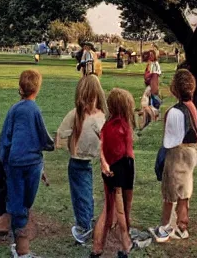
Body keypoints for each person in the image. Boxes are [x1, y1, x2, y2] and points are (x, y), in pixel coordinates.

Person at [0, 70, 54, 258]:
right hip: (31, 163)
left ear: (20, 87)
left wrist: (3, 161)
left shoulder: (14, 110)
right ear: (37, 88)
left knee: (18, 201)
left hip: (15, 162)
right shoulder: (35, 110)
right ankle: (22, 251)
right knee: (24, 203)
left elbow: (5, 137)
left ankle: (17, 239)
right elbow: (43, 136)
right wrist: (52, 144)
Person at [150, 70, 197, 243]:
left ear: (175, 88)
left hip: (177, 154)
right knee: (184, 191)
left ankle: (165, 227)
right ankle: (182, 226)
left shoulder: (174, 112)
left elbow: (169, 142)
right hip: (190, 154)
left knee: (170, 192)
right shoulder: (192, 107)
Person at [56, 75, 106, 245]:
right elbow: (61, 135)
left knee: (83, 195)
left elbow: (60, 135)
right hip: (79, 162)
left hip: (86, 162)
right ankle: (86, 223)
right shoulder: (83, 115)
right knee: (84, 195)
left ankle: (85, 226)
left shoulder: (90, 116)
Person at [90, 89, 137, 258]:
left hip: (112, 169)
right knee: (121, 209)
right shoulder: (121, 126)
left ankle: (98, 247)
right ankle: (125, 243)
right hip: (121, 168)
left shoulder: (107, 126)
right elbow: (122, 152)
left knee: (110, 209)